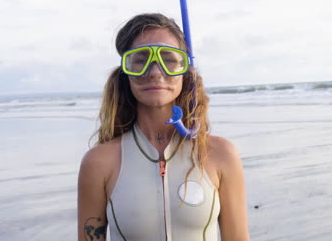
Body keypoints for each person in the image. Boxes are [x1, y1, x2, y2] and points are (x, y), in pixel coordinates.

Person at [78, 13, 250, 241]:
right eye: (141, 60)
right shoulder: (99, 162)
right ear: (126, 72)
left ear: (185, 71)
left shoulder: (219, 154)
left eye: (168, 59)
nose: (156, 72)